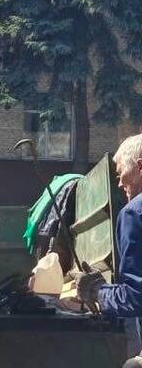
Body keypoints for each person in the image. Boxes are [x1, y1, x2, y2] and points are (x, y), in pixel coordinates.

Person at [75, 134, 142, 365]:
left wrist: (97, 291)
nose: (120, 183)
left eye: (120, 173)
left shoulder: (135, 212)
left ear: (140, 166)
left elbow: (136, 297)